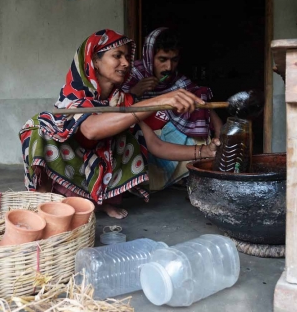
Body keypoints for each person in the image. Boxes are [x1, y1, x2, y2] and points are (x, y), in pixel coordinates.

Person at [20, 29, 217, 219]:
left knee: (126, 133)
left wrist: (205, 151)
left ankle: (100, 201)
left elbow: (156, 145)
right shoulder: (75, 93)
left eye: (127, 57)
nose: (126, 63)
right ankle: (43, 203)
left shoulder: (122, 100)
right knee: (38, 127)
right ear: (95, 60)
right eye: (117, 56)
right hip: (71, 166)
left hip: (98, 168)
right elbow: (90, 130)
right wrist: (159, 101)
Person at [121, 27, 223, 191]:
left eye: (174, 60)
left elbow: (204, 107)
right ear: (149, 56)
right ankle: (144, 180)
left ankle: (182, 176)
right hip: (147, 136)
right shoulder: (131, 75)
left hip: (164, 135)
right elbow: (117, 109)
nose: (169, 66)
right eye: (162, 59)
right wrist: (134, 93)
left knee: (198, 113)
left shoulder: (178, 81)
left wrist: (221, 134)